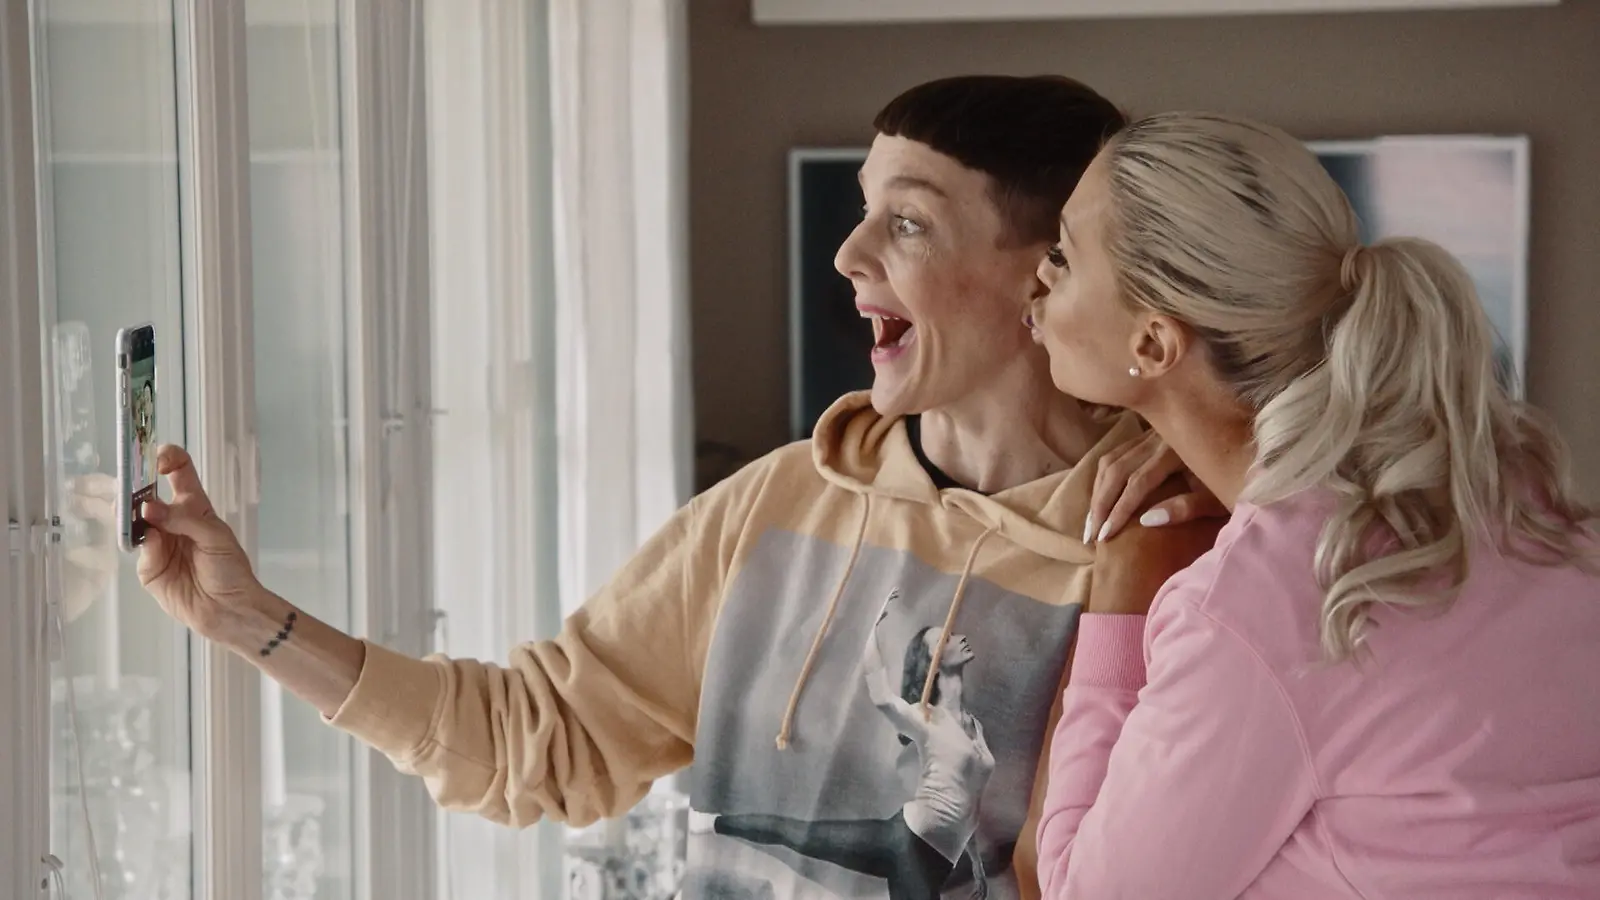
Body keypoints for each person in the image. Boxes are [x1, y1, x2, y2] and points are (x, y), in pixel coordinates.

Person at [135, 76, 1216, 900]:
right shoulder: (776, 507)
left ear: (1049, 271)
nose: (848, 253)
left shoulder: (1173, 543)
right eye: (862, 209)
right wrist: (251, 620)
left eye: (908, 221)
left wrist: (1203, 452)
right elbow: (537, 738)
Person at [1028, 111, 1600, 898]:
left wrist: (1123, 596)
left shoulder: (1251, 610)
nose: (1040, 277)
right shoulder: (1514, 497)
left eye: (1064, 255)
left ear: (1153, 344)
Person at [696, 589, 994, 900]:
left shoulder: (975, 727)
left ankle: (714, 823)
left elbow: (970, 797)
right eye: (946, 639)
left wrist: (975, 860)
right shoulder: (926, 717)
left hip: (940, 861)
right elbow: (881, 696)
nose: (959, 638)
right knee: (796, 834)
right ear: (933, 663)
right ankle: (712, 822)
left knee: (797, 835)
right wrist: (873, 627)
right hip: (910, 845)